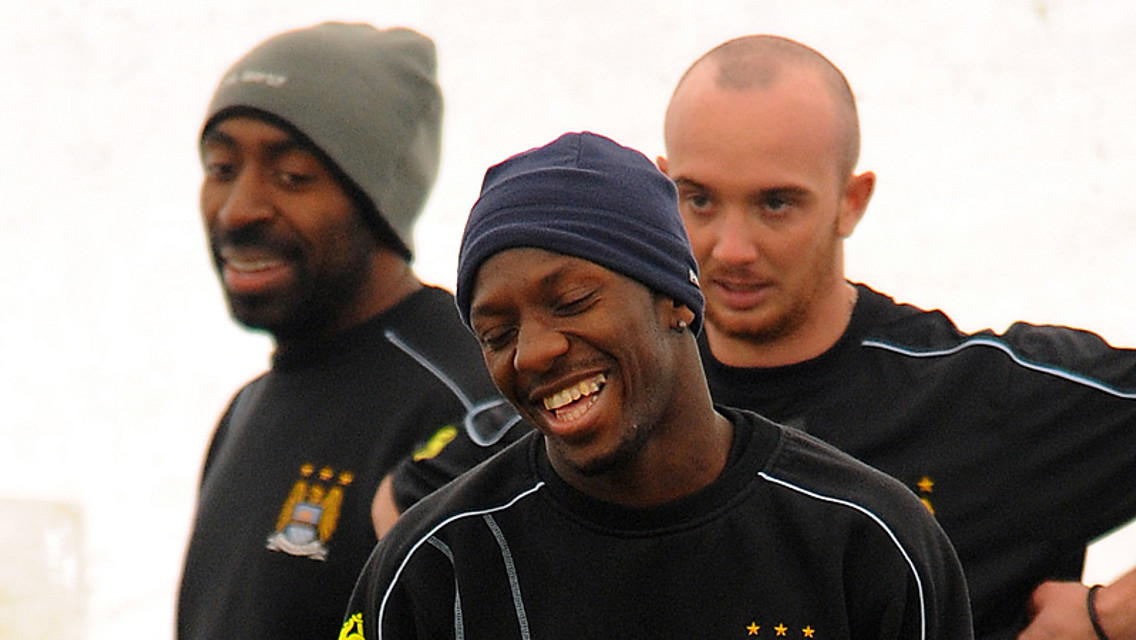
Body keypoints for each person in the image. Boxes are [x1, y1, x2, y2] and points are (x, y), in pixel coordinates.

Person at [341, 131, 974, 640]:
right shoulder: (433, 566)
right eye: (497, 334)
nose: (533, 353)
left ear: (675, 297)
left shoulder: (866, 538)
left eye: (573, 301)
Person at [656, 35, 1136, 640]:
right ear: (660, 187)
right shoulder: (611, 398)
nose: (732, 248)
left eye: (775, 204)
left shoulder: (982, 398)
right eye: (699, 200)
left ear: (851, 202)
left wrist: (1110, 615)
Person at [176, 22, 515, 639]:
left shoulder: (469, 401)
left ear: (378, 201)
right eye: (222, 167)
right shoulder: (247, 409)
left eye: (293, 176)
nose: (237, 209)